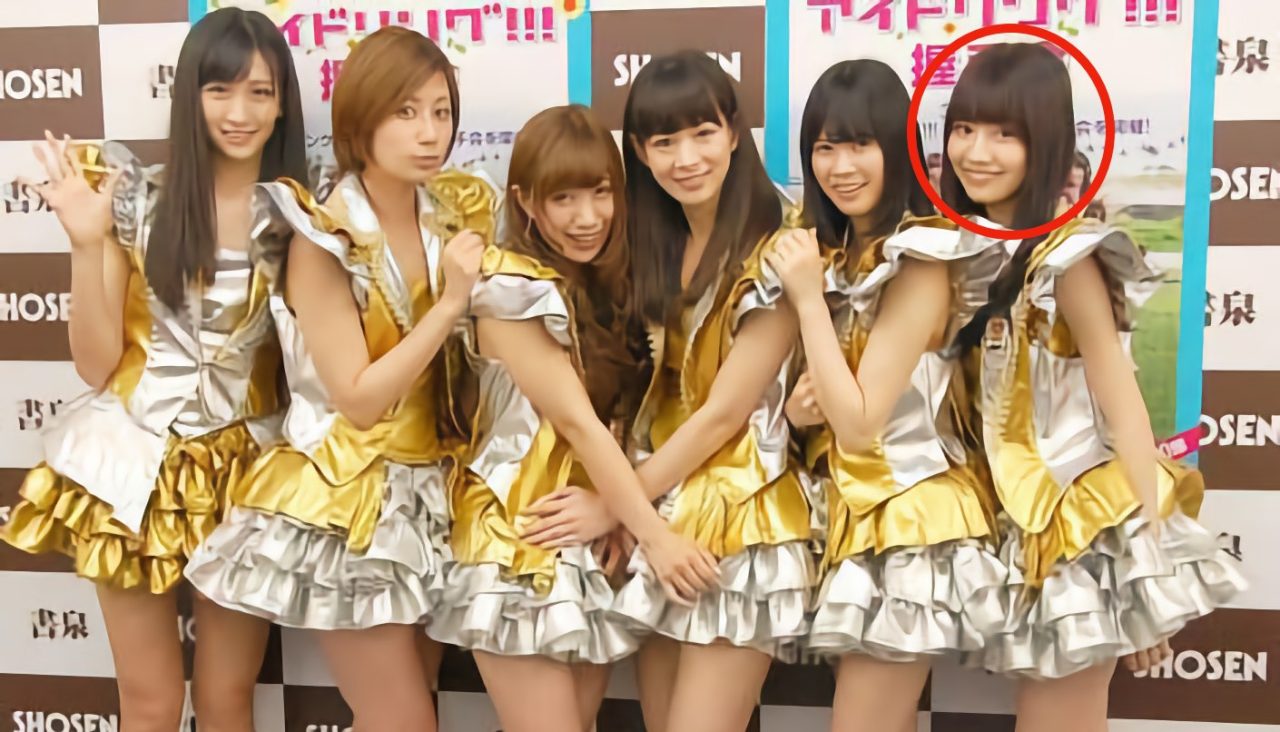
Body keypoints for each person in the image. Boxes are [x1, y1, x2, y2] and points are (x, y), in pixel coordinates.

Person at [1, 8, 307, 731]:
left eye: (260, 92)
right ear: (189, 96)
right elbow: (96, 364)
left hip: (246, 471)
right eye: (220, 90)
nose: (240, 113)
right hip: (129, 464)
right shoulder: (137, 200)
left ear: (282, 104)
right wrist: (86, 242)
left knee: (228, 697)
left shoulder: (300, 217)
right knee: (149, 700)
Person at [185, 27, 487, 731]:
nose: (430, 132)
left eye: (441, 111)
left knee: (410, 707)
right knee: (404, 720)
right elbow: (357, 398)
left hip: (432, 490)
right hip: (346, 498)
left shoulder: (455, 212)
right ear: (360, 119)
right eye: (406, 112)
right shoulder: (322, 235)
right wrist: (449, 305)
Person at [941, 42, 1244, 732]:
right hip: (996, 517)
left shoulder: (1069, 255)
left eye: (1004, 133)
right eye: (964, 128)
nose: (976, 152)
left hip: (1076, 518)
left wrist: (1147, 559)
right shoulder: (949, 250)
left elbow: (1121, 400)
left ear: (1046, 142)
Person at [430, 103, 715, 732]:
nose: (587, 217)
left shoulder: (609, 287)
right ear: (526, 202)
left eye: (601, 193)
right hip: (519, 535)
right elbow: (576, 423)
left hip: (585, 536)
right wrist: (655, 536)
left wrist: (612, 513)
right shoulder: (507, 289)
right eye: (563, 198)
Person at [768, 59, 1009, 732]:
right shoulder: (834, 254)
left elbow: (860, 423)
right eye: (825, 147)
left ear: (897, 149)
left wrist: (807, 300)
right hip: (851, 514)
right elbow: (824, 403)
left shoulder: (922, 257)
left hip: (910, 514)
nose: (841, 166)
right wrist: (798, 413)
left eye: (860, 144)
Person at [602, 50, 811, 732]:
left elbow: (726, 413)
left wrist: (616, 505)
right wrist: (639, 510)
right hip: (663, 512)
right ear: (640, 152)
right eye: (664, 142)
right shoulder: (649, 244)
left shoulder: (778, 248)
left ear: (734, 132)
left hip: (740, 515)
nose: (686, 158)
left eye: (703, 134)